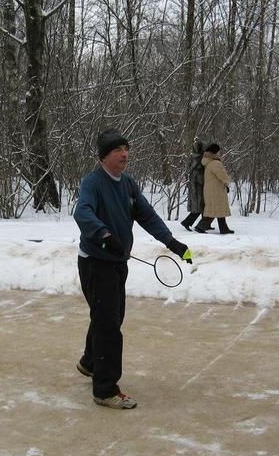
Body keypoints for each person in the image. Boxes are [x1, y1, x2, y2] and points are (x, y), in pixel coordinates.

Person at [73, 128, 192, 410]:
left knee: (109, 318)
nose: (124, 154)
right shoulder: (93, 183)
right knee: (108, 325)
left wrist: (172, 242)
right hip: (95, 263)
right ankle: (104, 389)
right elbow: (83, 212)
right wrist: (105, 235)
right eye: (118, 150)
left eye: (126, 149)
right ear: (104, 156)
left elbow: (147, 215)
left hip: (117, 263)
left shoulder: (127, 184)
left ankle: (90, 363)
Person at [194, 143, 235, 234]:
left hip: (212, 189)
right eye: (219, 152)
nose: (220, 153)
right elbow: (221, 174)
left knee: (217, 208)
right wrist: (227, 181)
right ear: (215, 152)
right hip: (216, 190)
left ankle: (224, 228)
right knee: (214, 209)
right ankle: (200, 227)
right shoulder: (215, 163)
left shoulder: (208, 161)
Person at [180, 139, 206, 231]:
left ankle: (205, 224)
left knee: (203, 207)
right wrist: (205, 181)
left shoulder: (195, 158)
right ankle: (186, 222)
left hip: (196, 187)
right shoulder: (199, 159)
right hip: (198, 188)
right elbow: (197, 175)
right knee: (199, 208)